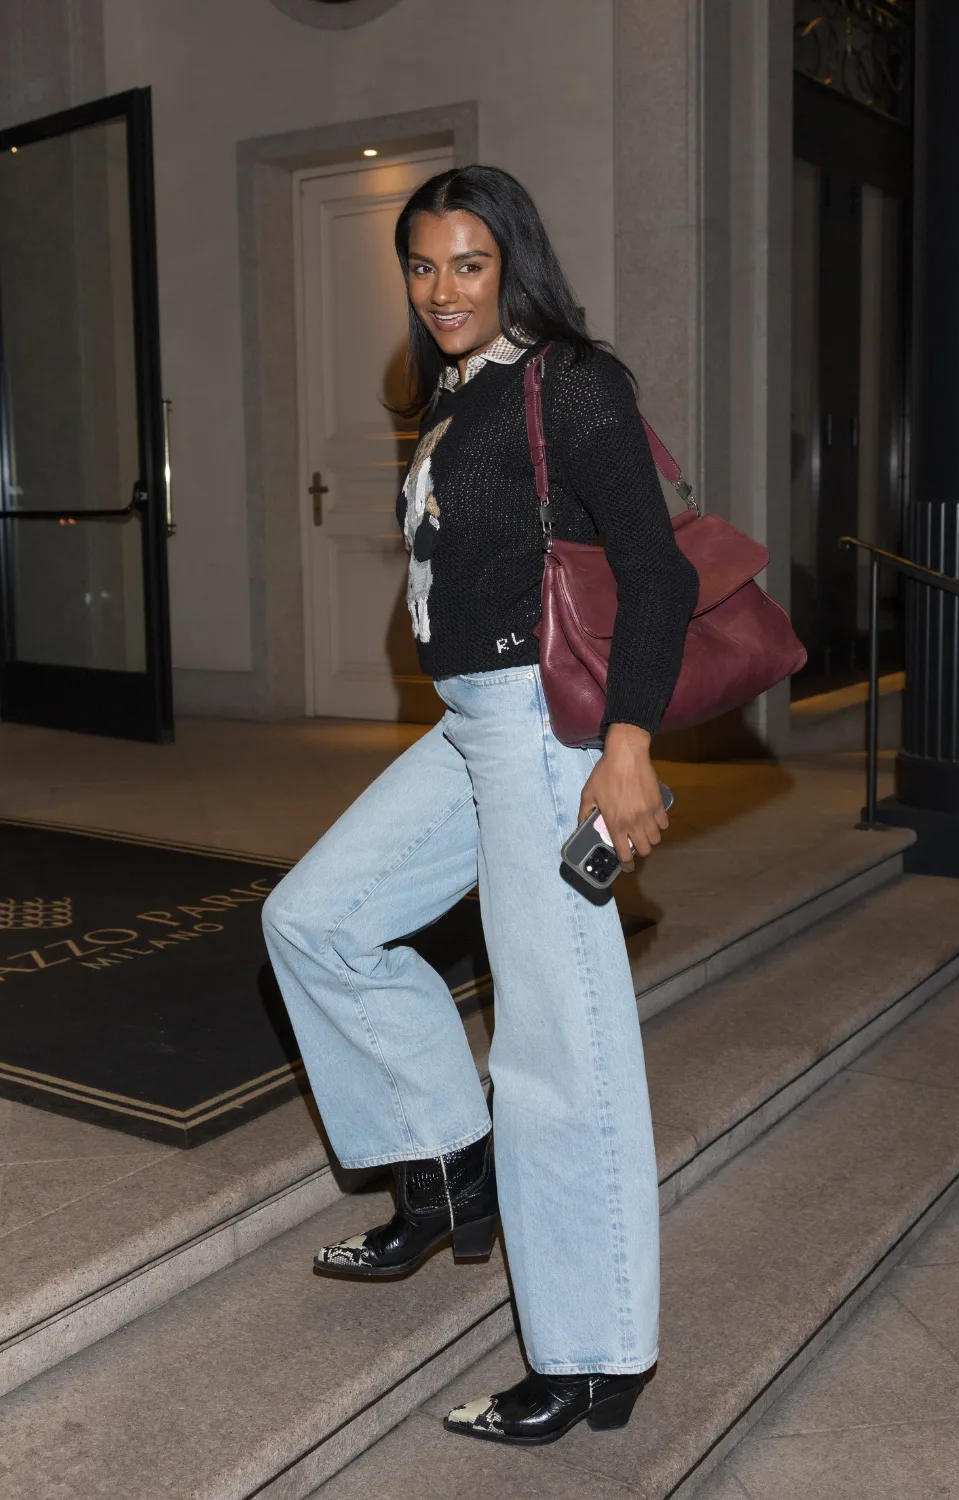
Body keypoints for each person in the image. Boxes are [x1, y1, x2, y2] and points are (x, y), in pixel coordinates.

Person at [262, 164, 699, 1446]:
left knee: (558, 1046)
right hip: (467, 727)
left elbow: (657, 578)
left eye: (468, 263)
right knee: (317, 919)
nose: (443, 289)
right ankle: (449, 1156)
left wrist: (624, 750)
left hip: (546, 736)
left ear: (511, 261)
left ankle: (587, 1353)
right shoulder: (455, 391)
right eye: (421, 265)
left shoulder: (571, 378)